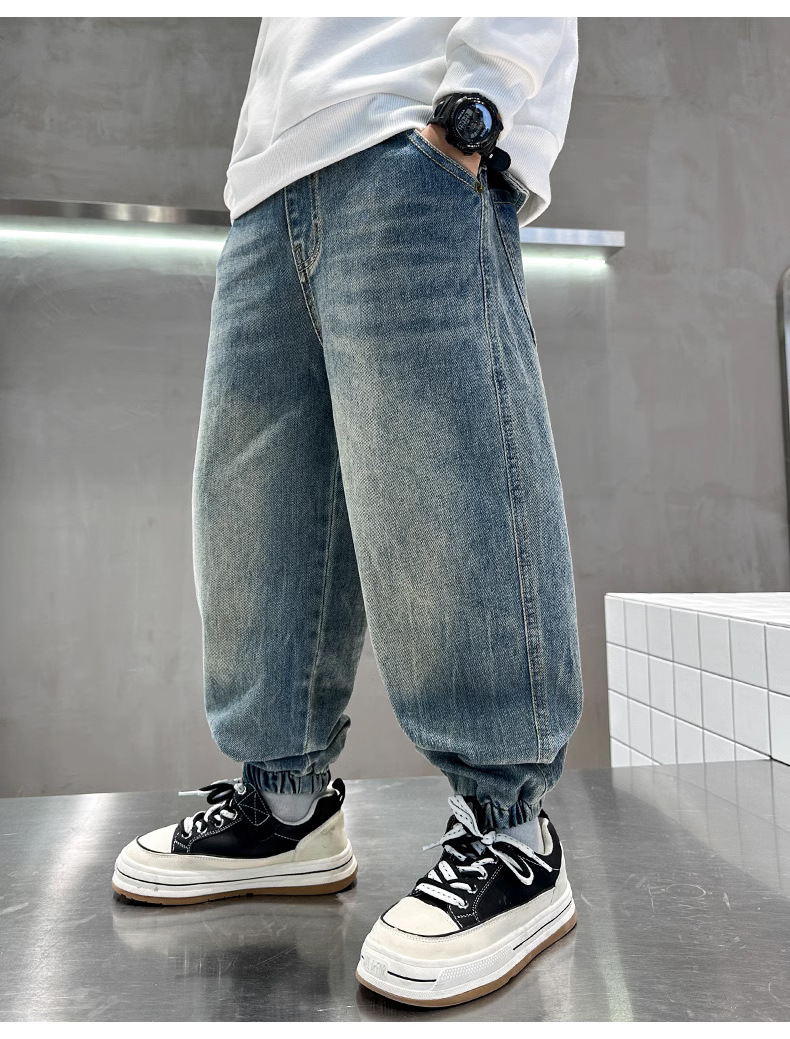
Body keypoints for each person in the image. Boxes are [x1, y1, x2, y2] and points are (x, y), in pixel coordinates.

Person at [112, 16, 584, 1008]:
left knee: (447, 480)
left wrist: (478, 107)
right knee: (254, 504)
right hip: (268, 183)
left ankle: (511, 830)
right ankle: (286, 806)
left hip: (411, 135)